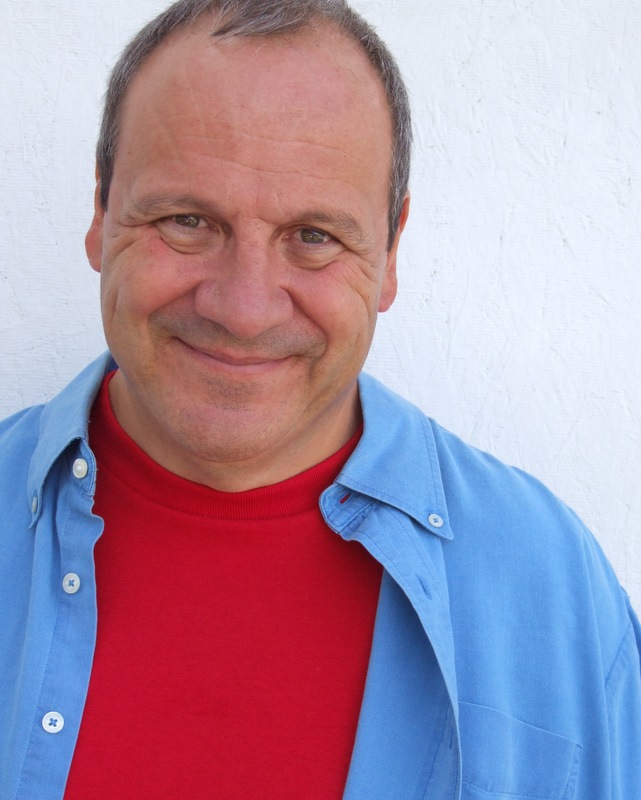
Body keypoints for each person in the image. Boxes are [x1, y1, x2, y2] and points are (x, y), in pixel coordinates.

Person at [1, 0, 639, 797]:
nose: (243, 309)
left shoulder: (551, 587)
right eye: (186, 220)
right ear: (101, 212)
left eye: (313, 237)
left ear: (391, 250)